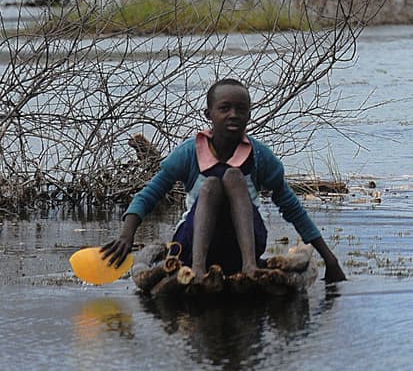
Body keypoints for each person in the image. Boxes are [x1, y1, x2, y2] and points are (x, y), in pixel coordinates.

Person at [99, 78, 347, 282]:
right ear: (209, 114)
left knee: (232, 176)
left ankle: (250, 266)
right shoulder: (189, 153)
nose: (233, 115)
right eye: (224, 108)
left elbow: (292, 209)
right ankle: (197, 269)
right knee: (212, 185)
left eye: (241, 109)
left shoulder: (260, 157)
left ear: (249, 114)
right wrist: (126, 235)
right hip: (193, 244)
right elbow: (148, 195)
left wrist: (330, 259)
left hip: (242, 247)